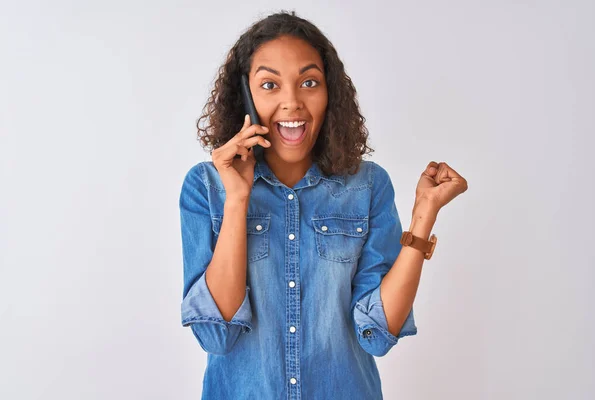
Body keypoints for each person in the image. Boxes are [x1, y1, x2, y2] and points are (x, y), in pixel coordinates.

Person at [178, 10, 468, 400]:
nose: (292, 102)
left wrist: (424, 216)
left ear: (329, 91)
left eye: (308, 82)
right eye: (269, 85)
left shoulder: (368, 185)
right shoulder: (205, 187)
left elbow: (378, 335)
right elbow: (216, 334)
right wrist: (237, 200)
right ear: (245, 95)